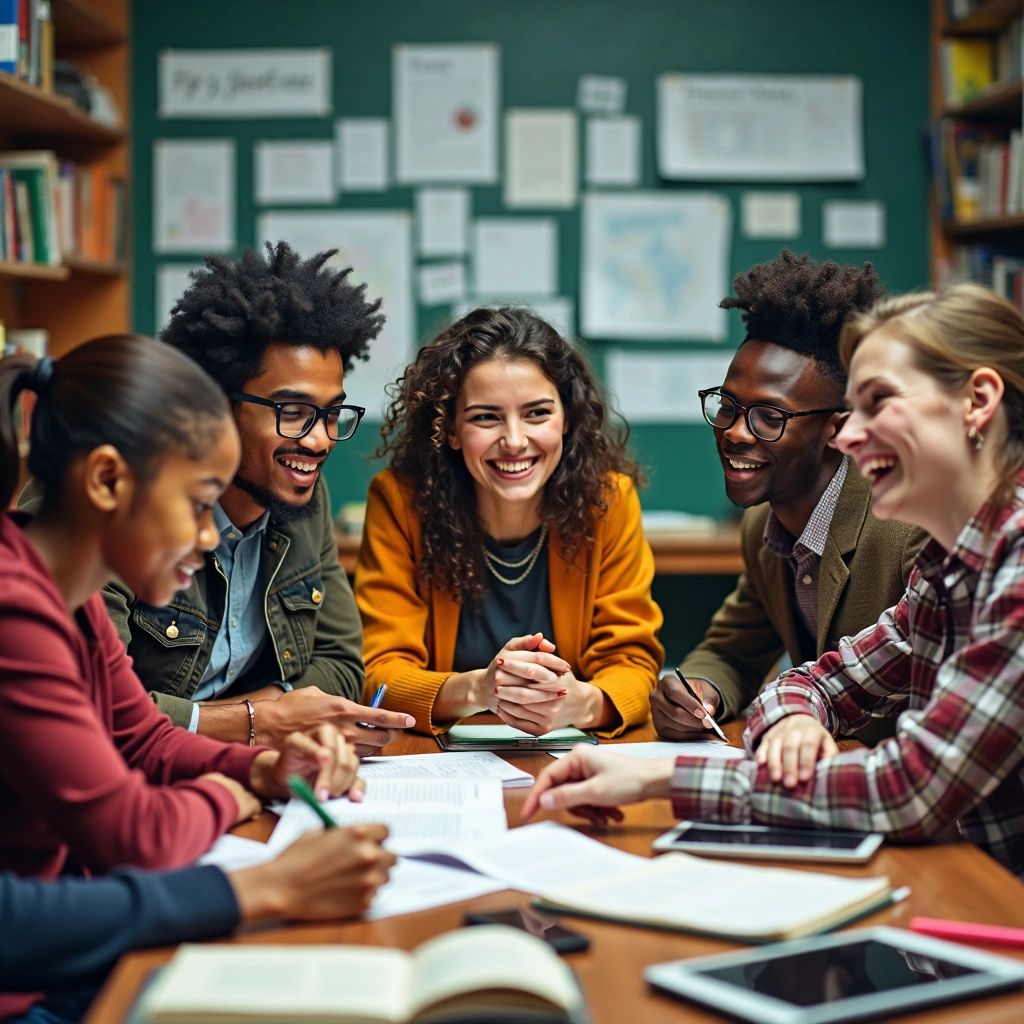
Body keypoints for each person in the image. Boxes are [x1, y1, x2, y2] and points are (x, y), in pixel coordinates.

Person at [524, 283, 1024, 880]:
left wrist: (660, 777)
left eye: (879, 404)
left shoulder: (1008, 562)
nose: (851, 435)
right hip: (960, 882)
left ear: (978, 401)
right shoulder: (955, 564)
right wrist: (793, 717)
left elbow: (907, 787)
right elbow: (816, 681)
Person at [0, 338, 386, 899]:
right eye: (198, 504)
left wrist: (263, 769)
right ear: (107, 481)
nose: (211, 537)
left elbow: (143, 738)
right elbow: (135, 834)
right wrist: (230, 796)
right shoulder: (16, 610)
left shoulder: (70, 597)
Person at [104, 242, 414, 751]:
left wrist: (270, 716)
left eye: (331, 413)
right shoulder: (117, 501)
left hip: (230, 769)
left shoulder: (300, 497)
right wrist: (260, 722)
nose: (317, 441)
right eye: (292, 412)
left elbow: (340, 663)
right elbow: (98, 707)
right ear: (216, 406)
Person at [651, 252, 924, 743]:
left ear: (838, 429)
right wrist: (702, 692)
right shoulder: (766, 527)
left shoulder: (907, 531)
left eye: (769, 418)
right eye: (728, 406)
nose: (735, 433)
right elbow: (734, 649)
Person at [355, 307, 663, 737]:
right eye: (485, 417)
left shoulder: (607, 502)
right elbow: (380, 674)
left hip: (570, 757)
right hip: (439, 768)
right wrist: (479, 690)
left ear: (567, 418)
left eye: (537, 413)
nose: (515, 441)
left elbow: (632, 660)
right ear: (450, 430)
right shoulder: (400, 504)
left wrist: (581, 702)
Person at [0, 825, 394, 1023]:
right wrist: (263, 885)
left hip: (74, 944)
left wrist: (253, 762)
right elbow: (135, 828)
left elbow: (142, 733)